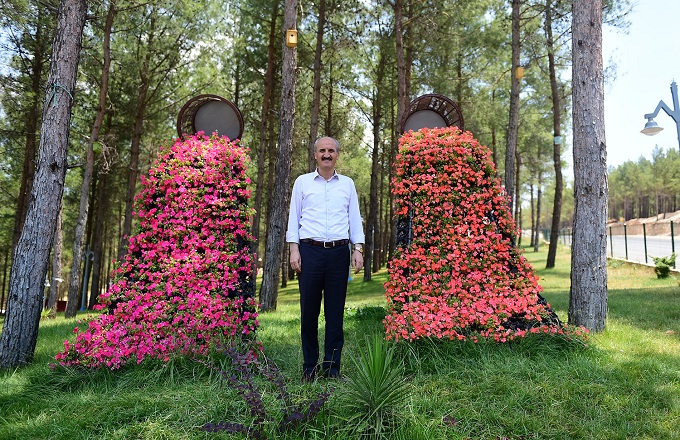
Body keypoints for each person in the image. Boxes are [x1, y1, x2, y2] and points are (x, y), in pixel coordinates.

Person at [286, 136, 365, 381]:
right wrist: (293, 249)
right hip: (309, 252)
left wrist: (358, 249)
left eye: (331, 150)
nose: (327, 154)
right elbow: (293, 217)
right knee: (308, 313)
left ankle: (332, 369)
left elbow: (354, 218)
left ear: (337, 155)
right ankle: (309, 368)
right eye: (322, 150)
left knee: (335, 314)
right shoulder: (302, 183)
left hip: (338, 254)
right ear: (315, 155)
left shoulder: (348, 184)